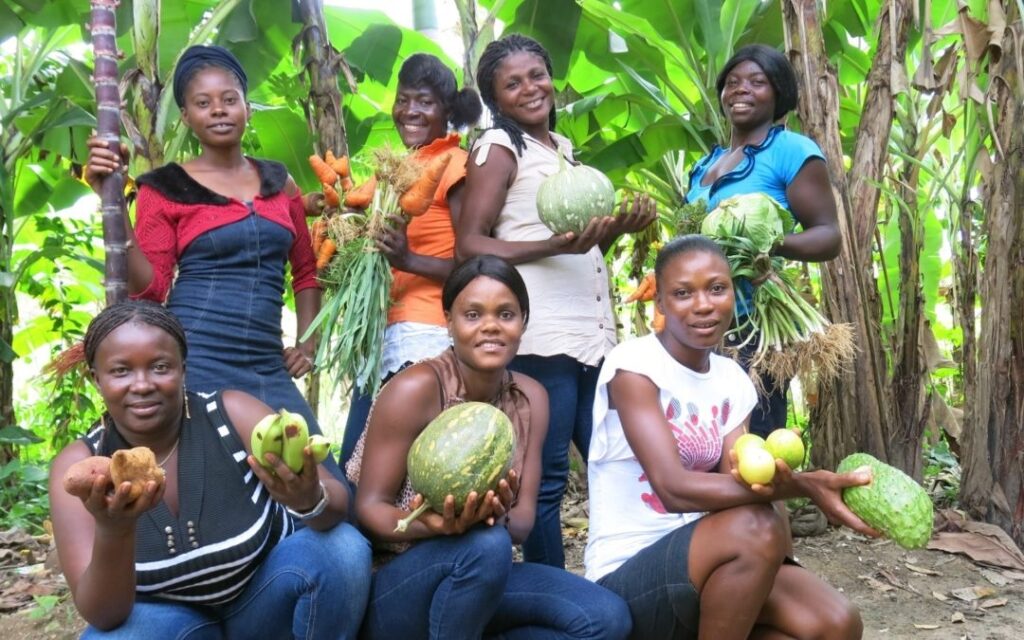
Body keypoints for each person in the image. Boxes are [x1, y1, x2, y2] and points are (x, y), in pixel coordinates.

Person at [584, 236, 878, 639]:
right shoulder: (634, 366)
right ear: (661, 303)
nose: (703, 304)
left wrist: (778, 562)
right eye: (683, 293)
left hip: (710, 565)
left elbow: (746, 484)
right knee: (754, 527)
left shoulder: (731, 379)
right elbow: (673, 489)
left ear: (733, 295)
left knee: (836, 623)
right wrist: (805, 485)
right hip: (629, 576)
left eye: (717, 288)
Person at [346, 255, 632, 640]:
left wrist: (492, 514)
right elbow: (369, 509)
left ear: (523, 322)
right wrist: (436, 525)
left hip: (478, 577)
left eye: (506, 314)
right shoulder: (415, 388)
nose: (491, 326)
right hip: (396, 586)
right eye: (473, 314)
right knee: (487, 544)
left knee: (605, 618)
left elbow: (523, 522)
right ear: (449, 321)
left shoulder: (531, 398)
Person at [48, 301, 371, 639]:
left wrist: (310, 500)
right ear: (97, 379)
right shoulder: (83, 467)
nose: (142, 384)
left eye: (160, 367)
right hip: (170, 626)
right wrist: (114, 530)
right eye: (120, 371)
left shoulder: (231, 414)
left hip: (263, 605)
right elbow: (104, 616)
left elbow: (336, 503)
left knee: (342, 549)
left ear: (183, 369)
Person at [457, 33, 657, 568]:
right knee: (545, 478)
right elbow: (469, 244)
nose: (530, 88)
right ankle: (551, 589)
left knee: (612, 462)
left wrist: (617, 230)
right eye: (512, 83)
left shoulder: (562, 151)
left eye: (537, 75)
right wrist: (551, 245)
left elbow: (580, 248)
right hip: (542, 336)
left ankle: (622, 576)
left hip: (592, 335)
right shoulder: (498, 148)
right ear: (495, 99)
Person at [85, 45, 328, 451]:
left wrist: (308, 344)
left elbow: (305, 271)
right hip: (197, 361)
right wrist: (114, 203)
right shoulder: (165, 188)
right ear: (186, 116)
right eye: (203, 103)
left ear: (247, 108)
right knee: (213, 475)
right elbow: (151, 289)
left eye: (229, 99)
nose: (218, 110)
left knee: (315, 474)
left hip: (268, 364)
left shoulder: (279, 182)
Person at [685, 43, 841, 438]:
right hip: (698, 323)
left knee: (754, 441)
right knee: (702, 438)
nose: (741, 89)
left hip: (756, 327)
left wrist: (763, 245)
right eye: (733, 82)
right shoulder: (704, 165)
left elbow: (828, 236)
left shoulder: (791, 150)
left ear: (779, 93)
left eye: (757, 82)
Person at [340, 53, 482, 468]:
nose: (410, 111)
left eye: (424, 101)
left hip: (425, 332)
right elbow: (354, 210)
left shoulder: (453, 163)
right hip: (383, 333)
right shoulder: (398, 167)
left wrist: (408, 259)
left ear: (447, 110)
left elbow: (472, 265)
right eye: (403, 99)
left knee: (394, 466)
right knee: (360, 464)